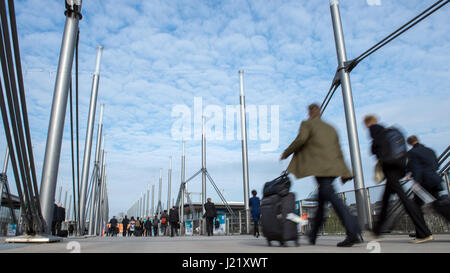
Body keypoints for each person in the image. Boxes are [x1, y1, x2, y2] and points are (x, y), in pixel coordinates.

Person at [281, 103, 362, 247]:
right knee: (322, 200)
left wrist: (286, 153)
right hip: (334, 168)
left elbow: (301, 139)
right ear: (320, 113)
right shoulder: (332, 129)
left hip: (320, 168)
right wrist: (344, 171)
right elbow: (339, 151)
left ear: (310, 113)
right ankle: (312, 235)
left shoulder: (307, 124)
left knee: (331, 196)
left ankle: (353, 231)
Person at [363, 115, 433, 243]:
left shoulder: (374, 129)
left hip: (390, 168)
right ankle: (377, 231)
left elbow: (376, 147)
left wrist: (375, 151)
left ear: (368, 123)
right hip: (399, 166)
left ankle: (424, 232)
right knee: (385, 200)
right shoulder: (389, 131)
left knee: (405, 200)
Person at [406, 135, 449, 237]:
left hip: (424, 184)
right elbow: (436, 165)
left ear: (409, 143)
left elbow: (416, 168)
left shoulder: (412, 153)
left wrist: (415, 181)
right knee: (439, 205)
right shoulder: (430, 150)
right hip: (435, 180)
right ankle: (421, 232)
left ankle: (422, 232)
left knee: (415, 207)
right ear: (417, 140)